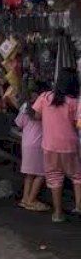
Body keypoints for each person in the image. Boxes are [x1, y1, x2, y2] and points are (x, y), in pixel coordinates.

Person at [32, 69, 81, 222]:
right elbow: (78, 124)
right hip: (69, 145)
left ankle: (57, 213)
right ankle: (79, 206)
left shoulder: (44, 97)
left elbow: (36, 116)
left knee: (54, 177)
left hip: (49, 145)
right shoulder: (75, 102)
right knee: (77, 175)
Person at [15, 85, 50, 212]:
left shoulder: (25, 107)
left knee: (29, 174)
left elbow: (19, 123)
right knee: (41, 174)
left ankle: (25, 199)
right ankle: (32, 200)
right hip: (38, 144)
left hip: (26, 142)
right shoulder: (44, 107)